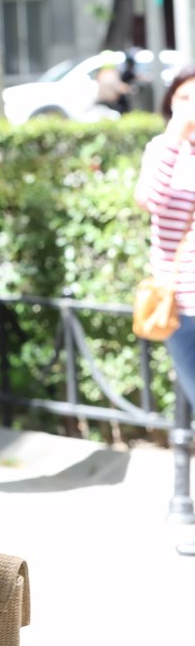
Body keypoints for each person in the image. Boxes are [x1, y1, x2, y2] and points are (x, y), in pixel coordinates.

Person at [136, 65, 195, 406]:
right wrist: (175, 137)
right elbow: (151, 200)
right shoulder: (161, 149)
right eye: (183, 97)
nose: (190, 107)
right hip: (181, 303)